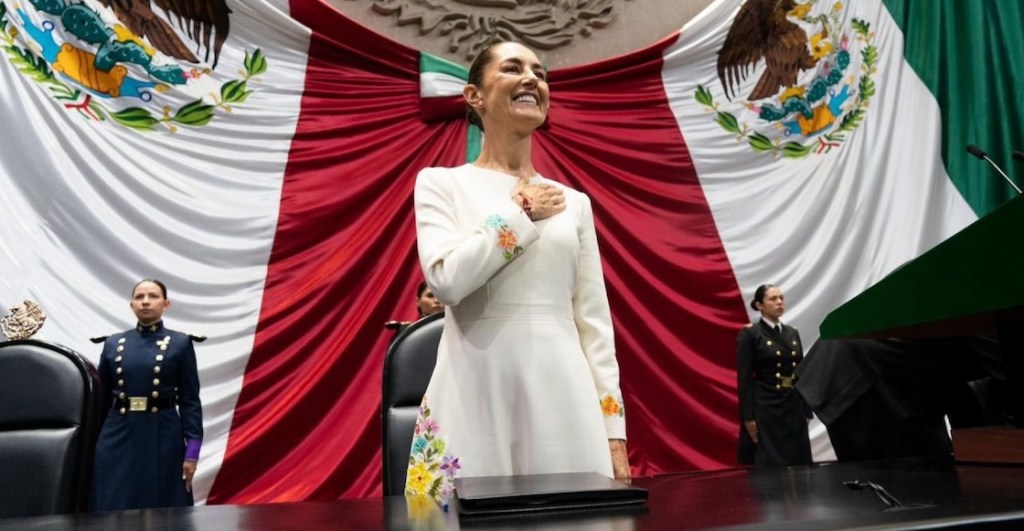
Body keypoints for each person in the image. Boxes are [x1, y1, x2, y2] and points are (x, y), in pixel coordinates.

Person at [405, 41, 629, 504]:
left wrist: (614, 430)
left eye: (540, 72)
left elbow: (594, 325)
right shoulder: (441, 183)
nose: (533, 79)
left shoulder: (575, 203)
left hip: (564, 394)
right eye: (513, 68)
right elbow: (447, 280)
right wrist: (520, 213)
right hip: (474, 390)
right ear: (474, 96)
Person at [92, 279, 203, 511]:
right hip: (118, 433)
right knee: (114, 502)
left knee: (164, 508)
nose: (145, 302)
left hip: (162, 433)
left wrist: (192, 453)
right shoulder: (113, 344)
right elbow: (101, 401)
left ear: (166, 304)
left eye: (152, 296)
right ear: (131, 304)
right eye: (139, 297)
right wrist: (92, 446)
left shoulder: (180, 343)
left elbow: (190, 401)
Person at [736, 284, 812, 466]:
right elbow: (744, 378)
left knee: (799, 460)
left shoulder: (792, 333)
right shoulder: (751, 334)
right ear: (759, 305)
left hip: (792, 404)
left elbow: (800, 373)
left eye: (781, 298)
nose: (779, 302)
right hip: (767, 406)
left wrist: (806, 409)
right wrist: (748, 417)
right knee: (772, 463)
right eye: (773, 299)